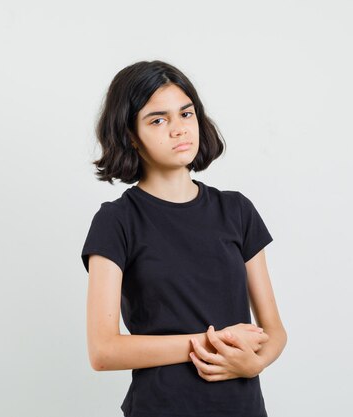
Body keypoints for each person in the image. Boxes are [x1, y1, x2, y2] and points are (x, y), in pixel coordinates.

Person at [80, 60, 287, 417]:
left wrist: (255, 364)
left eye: (186, 114)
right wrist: (210, 342)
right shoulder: (115, 222)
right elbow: (103, 351)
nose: (179, 130)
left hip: (242, 408)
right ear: (131, 135)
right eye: (158, 120)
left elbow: (274, 330)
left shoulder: (236, 211)